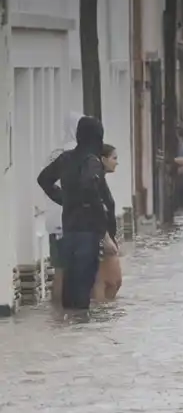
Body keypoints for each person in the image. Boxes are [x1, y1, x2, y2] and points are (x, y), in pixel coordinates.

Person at [36, 115, 111, 309]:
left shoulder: (65, 158)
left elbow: (43, 179)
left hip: (69, 230)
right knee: (83, 289)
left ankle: (71, 333)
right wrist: (104, 230)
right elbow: (90, 187)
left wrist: (65, 199)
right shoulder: (92, 161)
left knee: (69, 290)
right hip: (88, 232)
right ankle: (82, 331)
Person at [93, 144, 123, 302]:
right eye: (114, 158)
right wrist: (105, 238)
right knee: (106, 281)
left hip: (107, 236)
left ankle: (104, 317)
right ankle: (100, 313)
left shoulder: (101, 180)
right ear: (103, 159)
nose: (116, 162)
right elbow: (97, 210)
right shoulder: (96, 181)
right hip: (101, 237)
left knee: (114, 281)